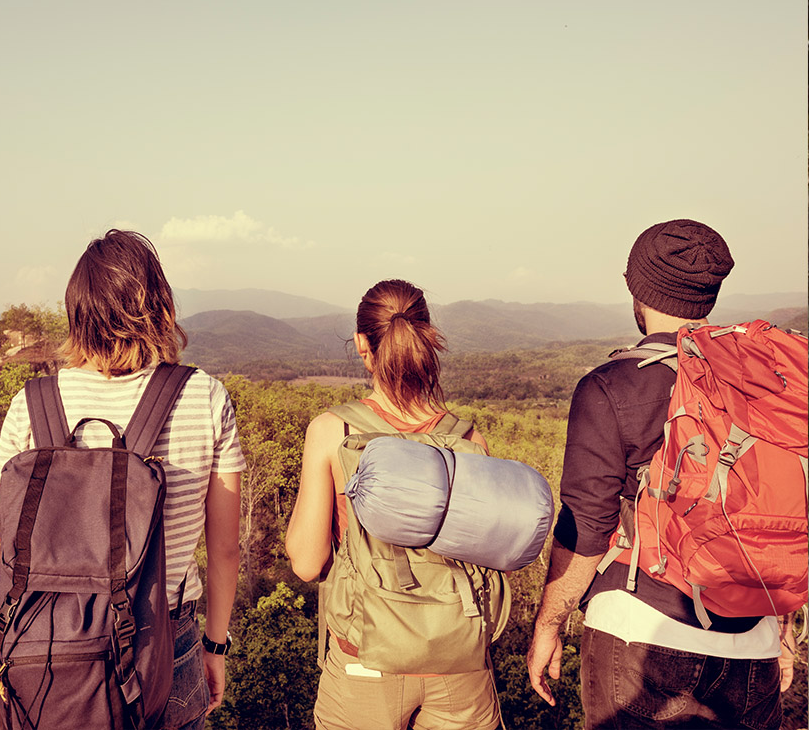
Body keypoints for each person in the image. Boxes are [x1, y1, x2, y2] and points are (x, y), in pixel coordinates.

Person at [526, 219, 796, 728]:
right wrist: (782, 628)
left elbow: (585, 530)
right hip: (754, 643)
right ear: (710, 294)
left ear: (637, 290)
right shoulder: (766, 384)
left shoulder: (610, 388)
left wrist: (548, 625)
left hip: (642, 635)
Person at [0, 229, 244, 729]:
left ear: (77, 312)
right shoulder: (205, 397)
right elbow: (225, 549)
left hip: (52, 643)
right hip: (167, 639)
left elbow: (10, 535)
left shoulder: (32, 404)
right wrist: (215, 645)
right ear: (159, 305)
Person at [286, 278, 501, 730]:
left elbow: (307, 563)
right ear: (424, 339)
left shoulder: (333, 433)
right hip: (460, 665)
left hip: (366, 661)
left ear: (363, 344)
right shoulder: (468, 439)